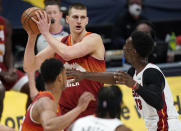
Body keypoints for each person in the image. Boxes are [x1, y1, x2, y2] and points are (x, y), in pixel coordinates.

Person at [67, 31, 181, 131]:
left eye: (126, 46)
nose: (123, 49)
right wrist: (84, 75)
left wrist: (134, 85)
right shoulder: (135, 71)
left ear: (134, 52)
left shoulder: (151, 73)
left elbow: (158, 102)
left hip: (167, 126)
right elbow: (114, 78)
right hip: (156, 126)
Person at [24, 2, 105, 120]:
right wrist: (32, 36)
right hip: (65, 112)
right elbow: (29, 66)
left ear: (87, 20)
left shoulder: (94, 39)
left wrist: (45, 33)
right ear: (67, 19)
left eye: (82, 17)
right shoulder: (58, 42)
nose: (79, 21)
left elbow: (68, 54)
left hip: (92, 110)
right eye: (75, 17)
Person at [20, 58, 95, 131]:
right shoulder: (45, 102)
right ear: (60, 77)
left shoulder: (48, 100)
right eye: (66, 74)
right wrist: (79, 108)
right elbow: (49, 126)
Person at [0, 0, 30, 120]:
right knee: (0, 90)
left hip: (4, 69)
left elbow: (8, 53)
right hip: (2, 72)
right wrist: (3, 73)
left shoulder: (5, 24)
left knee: (33, 88)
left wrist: (12, 68)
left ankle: (27, 125)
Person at [35, 0, 68, 91]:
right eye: (49, 13)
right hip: (45, 78)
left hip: (65, 77)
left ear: (60, 14)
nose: (52, 15)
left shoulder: (69, 33)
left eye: (54, 12)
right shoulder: (37, 36)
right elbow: (32, 61)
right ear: (44, 16)